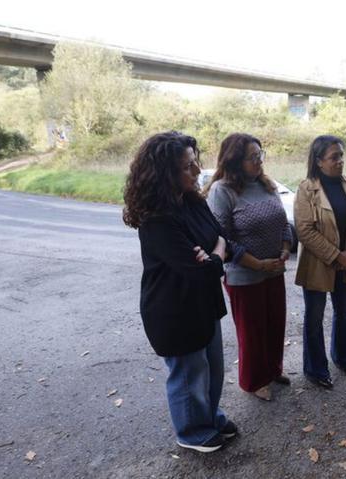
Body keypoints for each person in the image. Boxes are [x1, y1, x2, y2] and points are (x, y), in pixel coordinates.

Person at [122, 131, 237, 453]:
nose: (197, 169)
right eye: (187, 166)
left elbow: (221, 235)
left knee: (213, 369)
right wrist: (215, 255)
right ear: (165, 174)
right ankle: (191, 431)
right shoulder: (156, 220)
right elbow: (200, 269)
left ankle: (210, 416)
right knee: (188, 376)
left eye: (195, 161)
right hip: (174, 311)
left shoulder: (191, 200)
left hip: (203, 303)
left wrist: (213, 251)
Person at [206, 133, 292, 402]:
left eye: (260, 155)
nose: (258, 161)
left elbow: (283, 222)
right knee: (252, 330)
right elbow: (221, 237)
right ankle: (254, 380)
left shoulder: (267, 185)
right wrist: (256, 264)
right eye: (252, 157)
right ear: (234, 160)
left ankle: (273, 369)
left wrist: (286, 248)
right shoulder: (223, 191)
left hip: (274, 270)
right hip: (244, 274)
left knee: (275, 323)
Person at [294, 135, 346, 389]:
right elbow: (304, 231)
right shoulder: (307, 189)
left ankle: (345, 358)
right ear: (319, 161)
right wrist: (335, 255)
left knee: (343, 313)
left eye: (341, 155)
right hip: (318, 264)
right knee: (314, 318)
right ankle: (315, 369)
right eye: (334, 157)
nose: (340, 161)